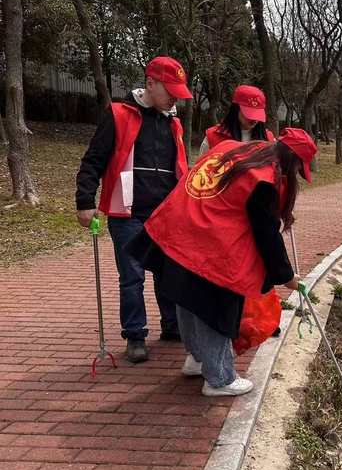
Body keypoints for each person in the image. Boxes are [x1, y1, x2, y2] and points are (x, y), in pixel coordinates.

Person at [125, 128, 317, 396]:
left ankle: (197, 360)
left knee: (188, 299)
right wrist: (285, 276)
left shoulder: (235, 149)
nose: (295, 174)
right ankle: (220, 378)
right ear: (292, 159)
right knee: (213, 309)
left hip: (179, 227)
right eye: (298, 168)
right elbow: (266, 234)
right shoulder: (263, 177)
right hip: (208, 242)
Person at [75, 56, 193, 364]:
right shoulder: (118, 114)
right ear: (150, 83)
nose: (175, 98)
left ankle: (171, 324)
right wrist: (85, 201)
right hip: (127, 213)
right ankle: (135, 335)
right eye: (170, 90)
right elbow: (93, 160)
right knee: (132, 275)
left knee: (167, 272)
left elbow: (180, 167)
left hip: (165, 214)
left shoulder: (174, 123)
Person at [199, 85, 275, 156]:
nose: (254, 119)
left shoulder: (269, 139)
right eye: (249, 113)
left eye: (257, 114)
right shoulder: (213, 138)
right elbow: (201, 165)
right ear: (235, 110)